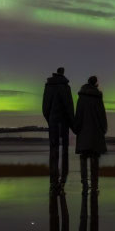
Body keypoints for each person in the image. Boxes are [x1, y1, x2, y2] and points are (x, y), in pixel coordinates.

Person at [72, 75, 108, 194]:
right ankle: (94, 185)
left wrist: (76, 129)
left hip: (83, 134)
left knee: (83, 158)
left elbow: (78, 116)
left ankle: (84, 184)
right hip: (96, 134)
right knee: (95, 158)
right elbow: (102, 116)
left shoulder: (81, 98)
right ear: (96, 84)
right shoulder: (98, 98)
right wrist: (103, 129)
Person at [42, 66, 74, 194]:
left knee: (53, 151)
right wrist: (73, 124)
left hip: (53, 122)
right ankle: (62, 180)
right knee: (64, 151)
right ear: (63, 74)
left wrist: (49, 119)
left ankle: (53, 181)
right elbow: (69, 107)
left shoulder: (48, 86)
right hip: (64, 123)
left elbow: (45, 107)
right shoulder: (66, 88)